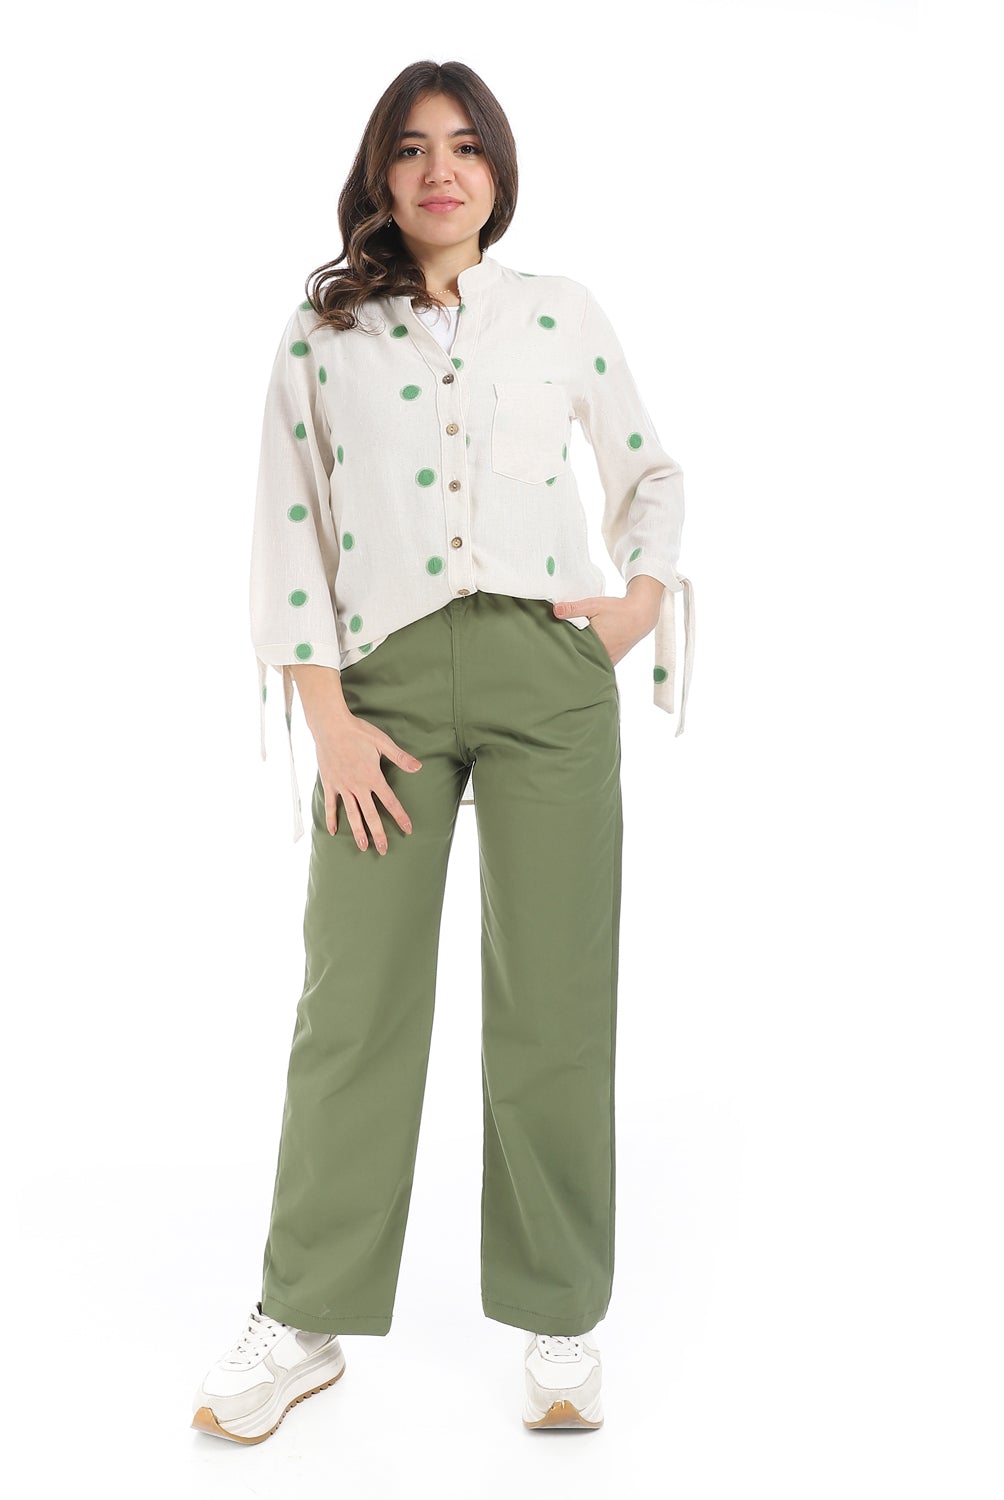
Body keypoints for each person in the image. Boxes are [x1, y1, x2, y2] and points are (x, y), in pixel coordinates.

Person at [192, 59, 695, 1445]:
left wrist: (640, 601)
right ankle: (302, 1315)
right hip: (383, 698)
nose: (440, 171)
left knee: (555, 1003)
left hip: (549, 680)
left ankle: (560, 1315)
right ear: (381, 173)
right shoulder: (324, 332)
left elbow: (648, 474)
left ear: (498, 171)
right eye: (412, 149)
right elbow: (288, 524)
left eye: (466, 147)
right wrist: (326, 716)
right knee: (353, 1005)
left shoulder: (560, 312)